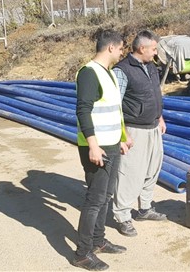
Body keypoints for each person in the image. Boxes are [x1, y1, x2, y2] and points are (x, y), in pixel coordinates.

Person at [73, 29, 131, 271]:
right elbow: (83, 110)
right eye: (120, 49)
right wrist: (94, 146)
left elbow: (112, 110)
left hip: (111, 143)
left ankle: (98, 241)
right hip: (96, 146)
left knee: (106, 195)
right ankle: (82, 253)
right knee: (94, 199)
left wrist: (121, 138)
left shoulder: (107, 73)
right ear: (110, 48)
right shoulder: (89, 73)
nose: (121, 53)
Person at [112, 30, 168, 237]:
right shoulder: (122, 70)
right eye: (154, 49)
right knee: (129, 174)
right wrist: (122, 133)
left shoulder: (151, 66)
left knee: (152, 170)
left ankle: (145, 208)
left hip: (153, 127)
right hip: (134, 129)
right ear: (142, 48)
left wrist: (160, 117)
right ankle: (123, 215)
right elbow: (115, 104)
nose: (156, 53)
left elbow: (155, 94)